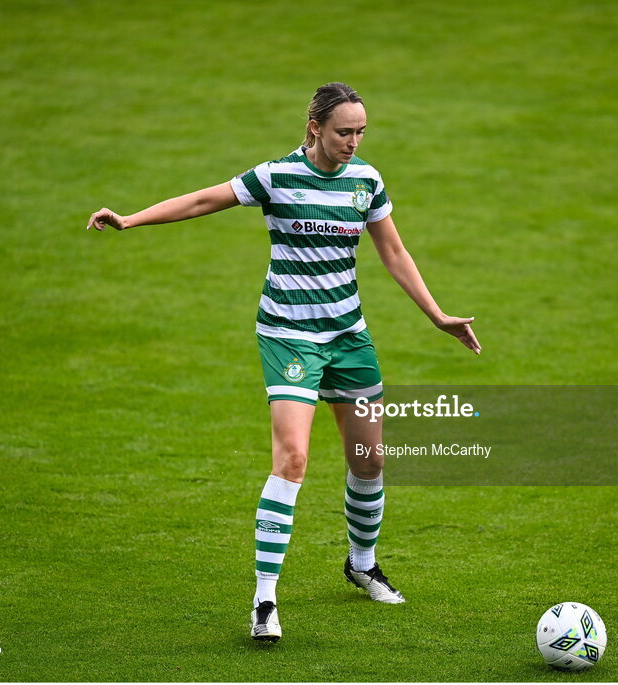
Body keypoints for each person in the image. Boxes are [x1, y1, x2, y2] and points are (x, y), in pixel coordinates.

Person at [86, 82, 481, 642]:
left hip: (348, 336)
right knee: (293, 458)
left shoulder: (365, 182)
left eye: (361, 131)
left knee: (369, 459)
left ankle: (361, 564)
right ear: (316, 127)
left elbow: (392, 250)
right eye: (344, 131)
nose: (353, 141)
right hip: (288, 335)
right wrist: (130, 220)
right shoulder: (275, 176)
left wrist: (437, 316)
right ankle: (265, 600)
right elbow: (204, 200)